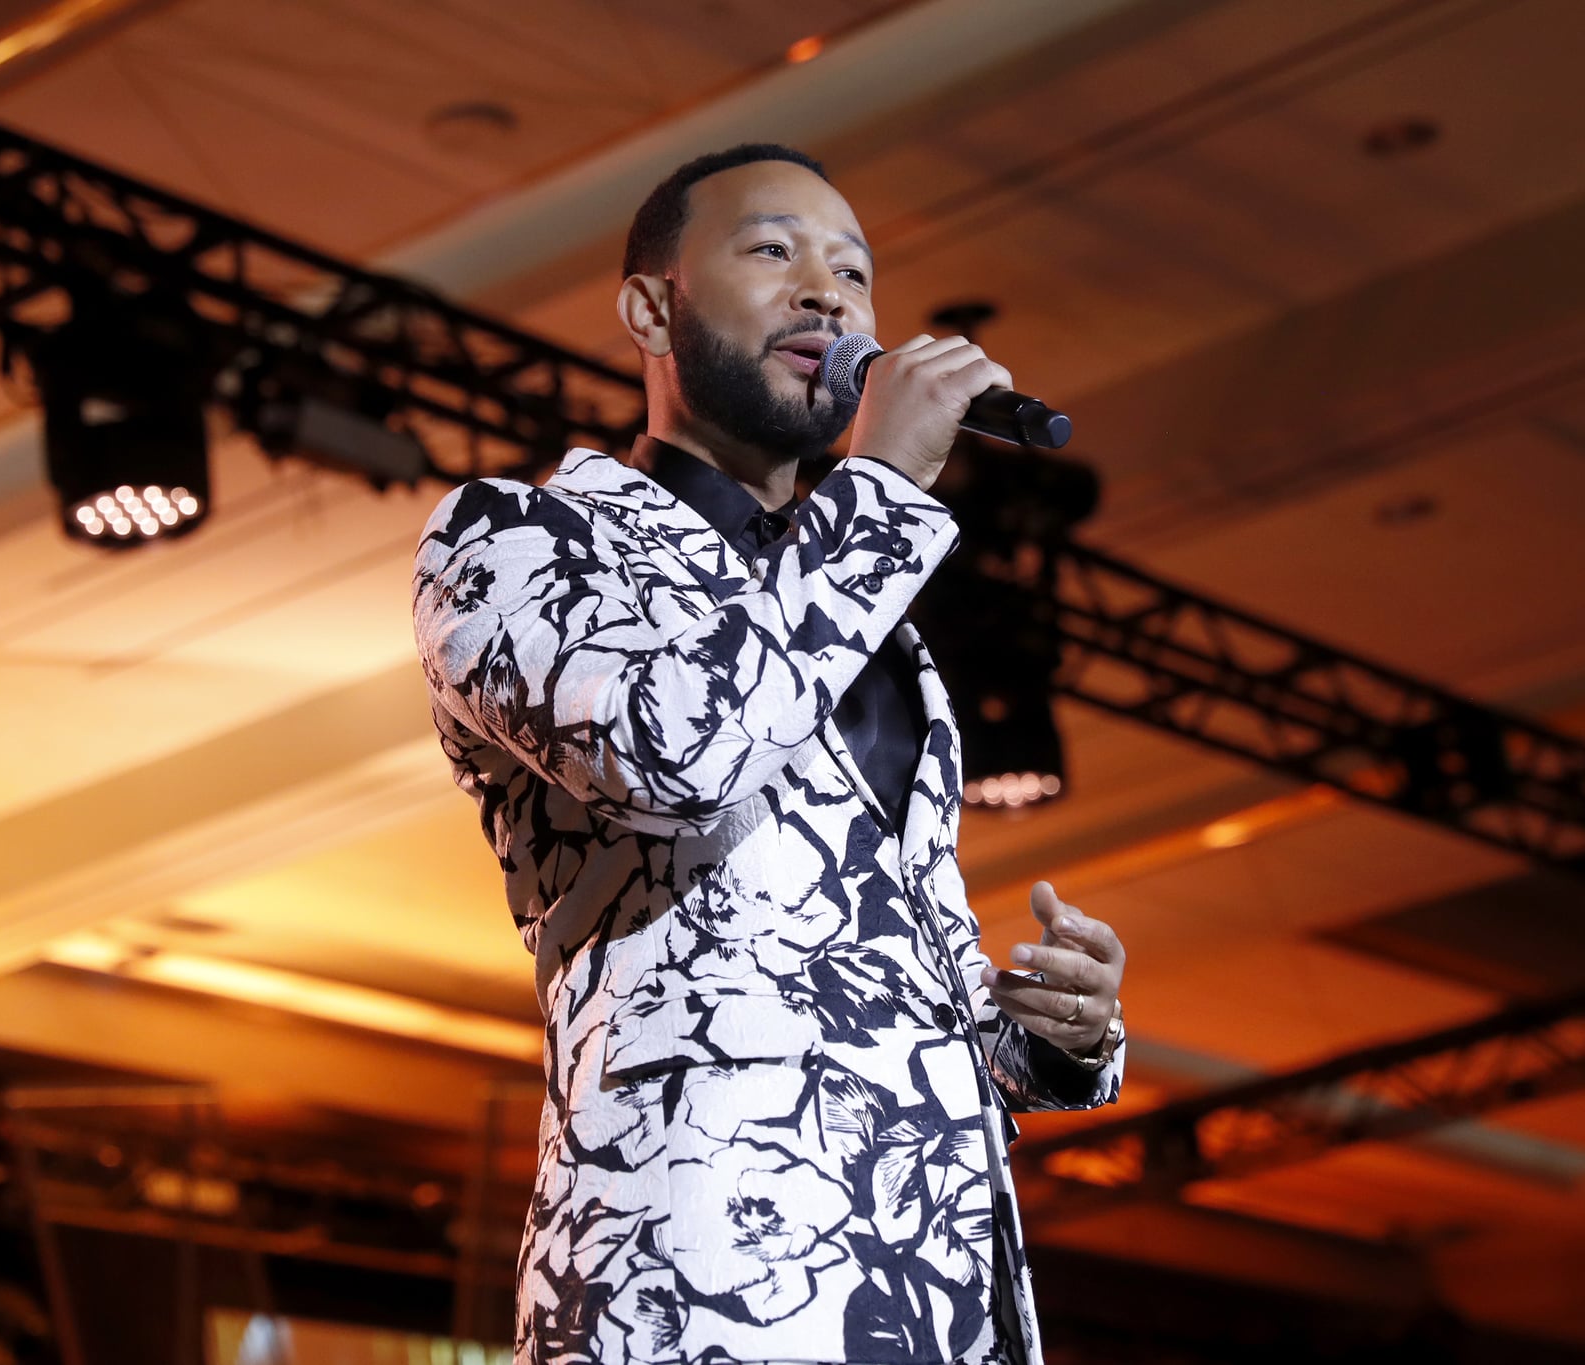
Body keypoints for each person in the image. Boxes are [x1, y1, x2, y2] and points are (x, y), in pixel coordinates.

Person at [412, 143, 1127, 1365]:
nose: (828, 293)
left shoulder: (866, 620)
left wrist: (1050, 1037)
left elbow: (860, 977)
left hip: (928, 1295)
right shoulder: (516, 541)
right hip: (693, 1284)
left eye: (853, 269)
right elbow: (676, 754)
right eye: (773, 250)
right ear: (650, 307)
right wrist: (887, 484)